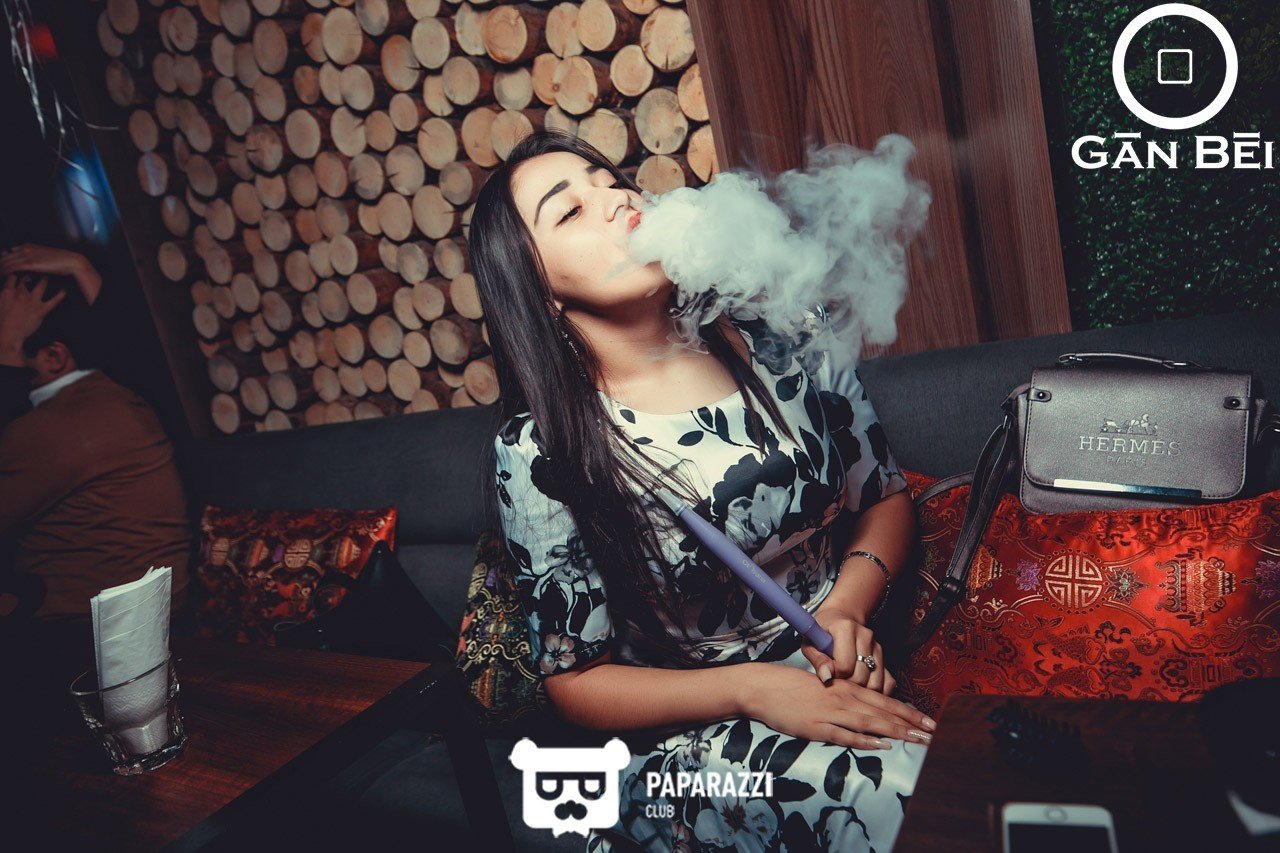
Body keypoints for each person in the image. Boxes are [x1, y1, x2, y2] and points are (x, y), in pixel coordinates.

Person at [472, 129, 932, 852]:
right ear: (541, 293)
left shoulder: (782, 332)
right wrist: (756, 688)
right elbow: (575, 682)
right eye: (571, 210)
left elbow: (884, 497)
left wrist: (846, 606)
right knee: (889, 802)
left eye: (612, 182)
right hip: (689, 739)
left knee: (949, 792)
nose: (618, 199)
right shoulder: (542, 452)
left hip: (837, 675)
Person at [0, 244, 190, 632]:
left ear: (54, 357)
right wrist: (78, 266)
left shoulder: (61, 423)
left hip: (96, 634)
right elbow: (124, 339)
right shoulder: (110, 391)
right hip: (121, 620)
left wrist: (7, 346)